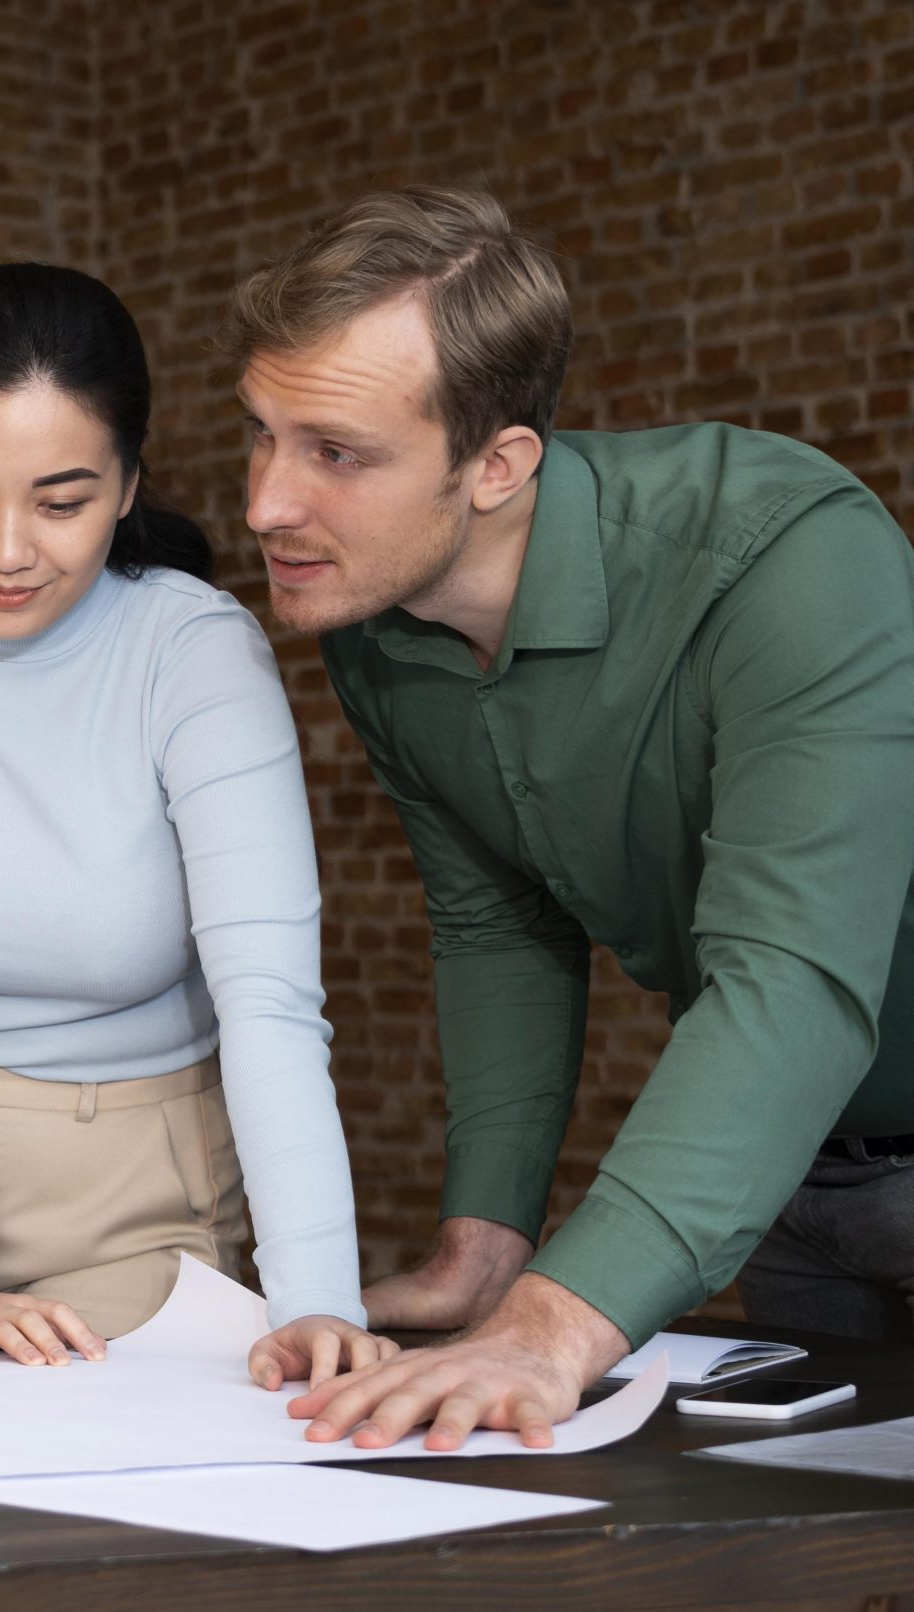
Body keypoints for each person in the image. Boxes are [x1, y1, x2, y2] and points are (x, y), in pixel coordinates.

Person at [229, 185, 914, 1451]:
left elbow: (791, 978)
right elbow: (496, 917)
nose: (268, 503)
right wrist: (490, 1247)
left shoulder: (790, 555)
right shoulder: (377, 622)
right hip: (787, 1182)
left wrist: (554, 1325)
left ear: (497, 465)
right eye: (262, 434)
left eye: (336, 451)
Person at [0, 263, 389, 1391]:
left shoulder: (191, 648)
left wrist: (318, 1294)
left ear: (128, 486)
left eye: (62, 501)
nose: (8, 549)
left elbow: (267, 998)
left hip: (142, 1200)